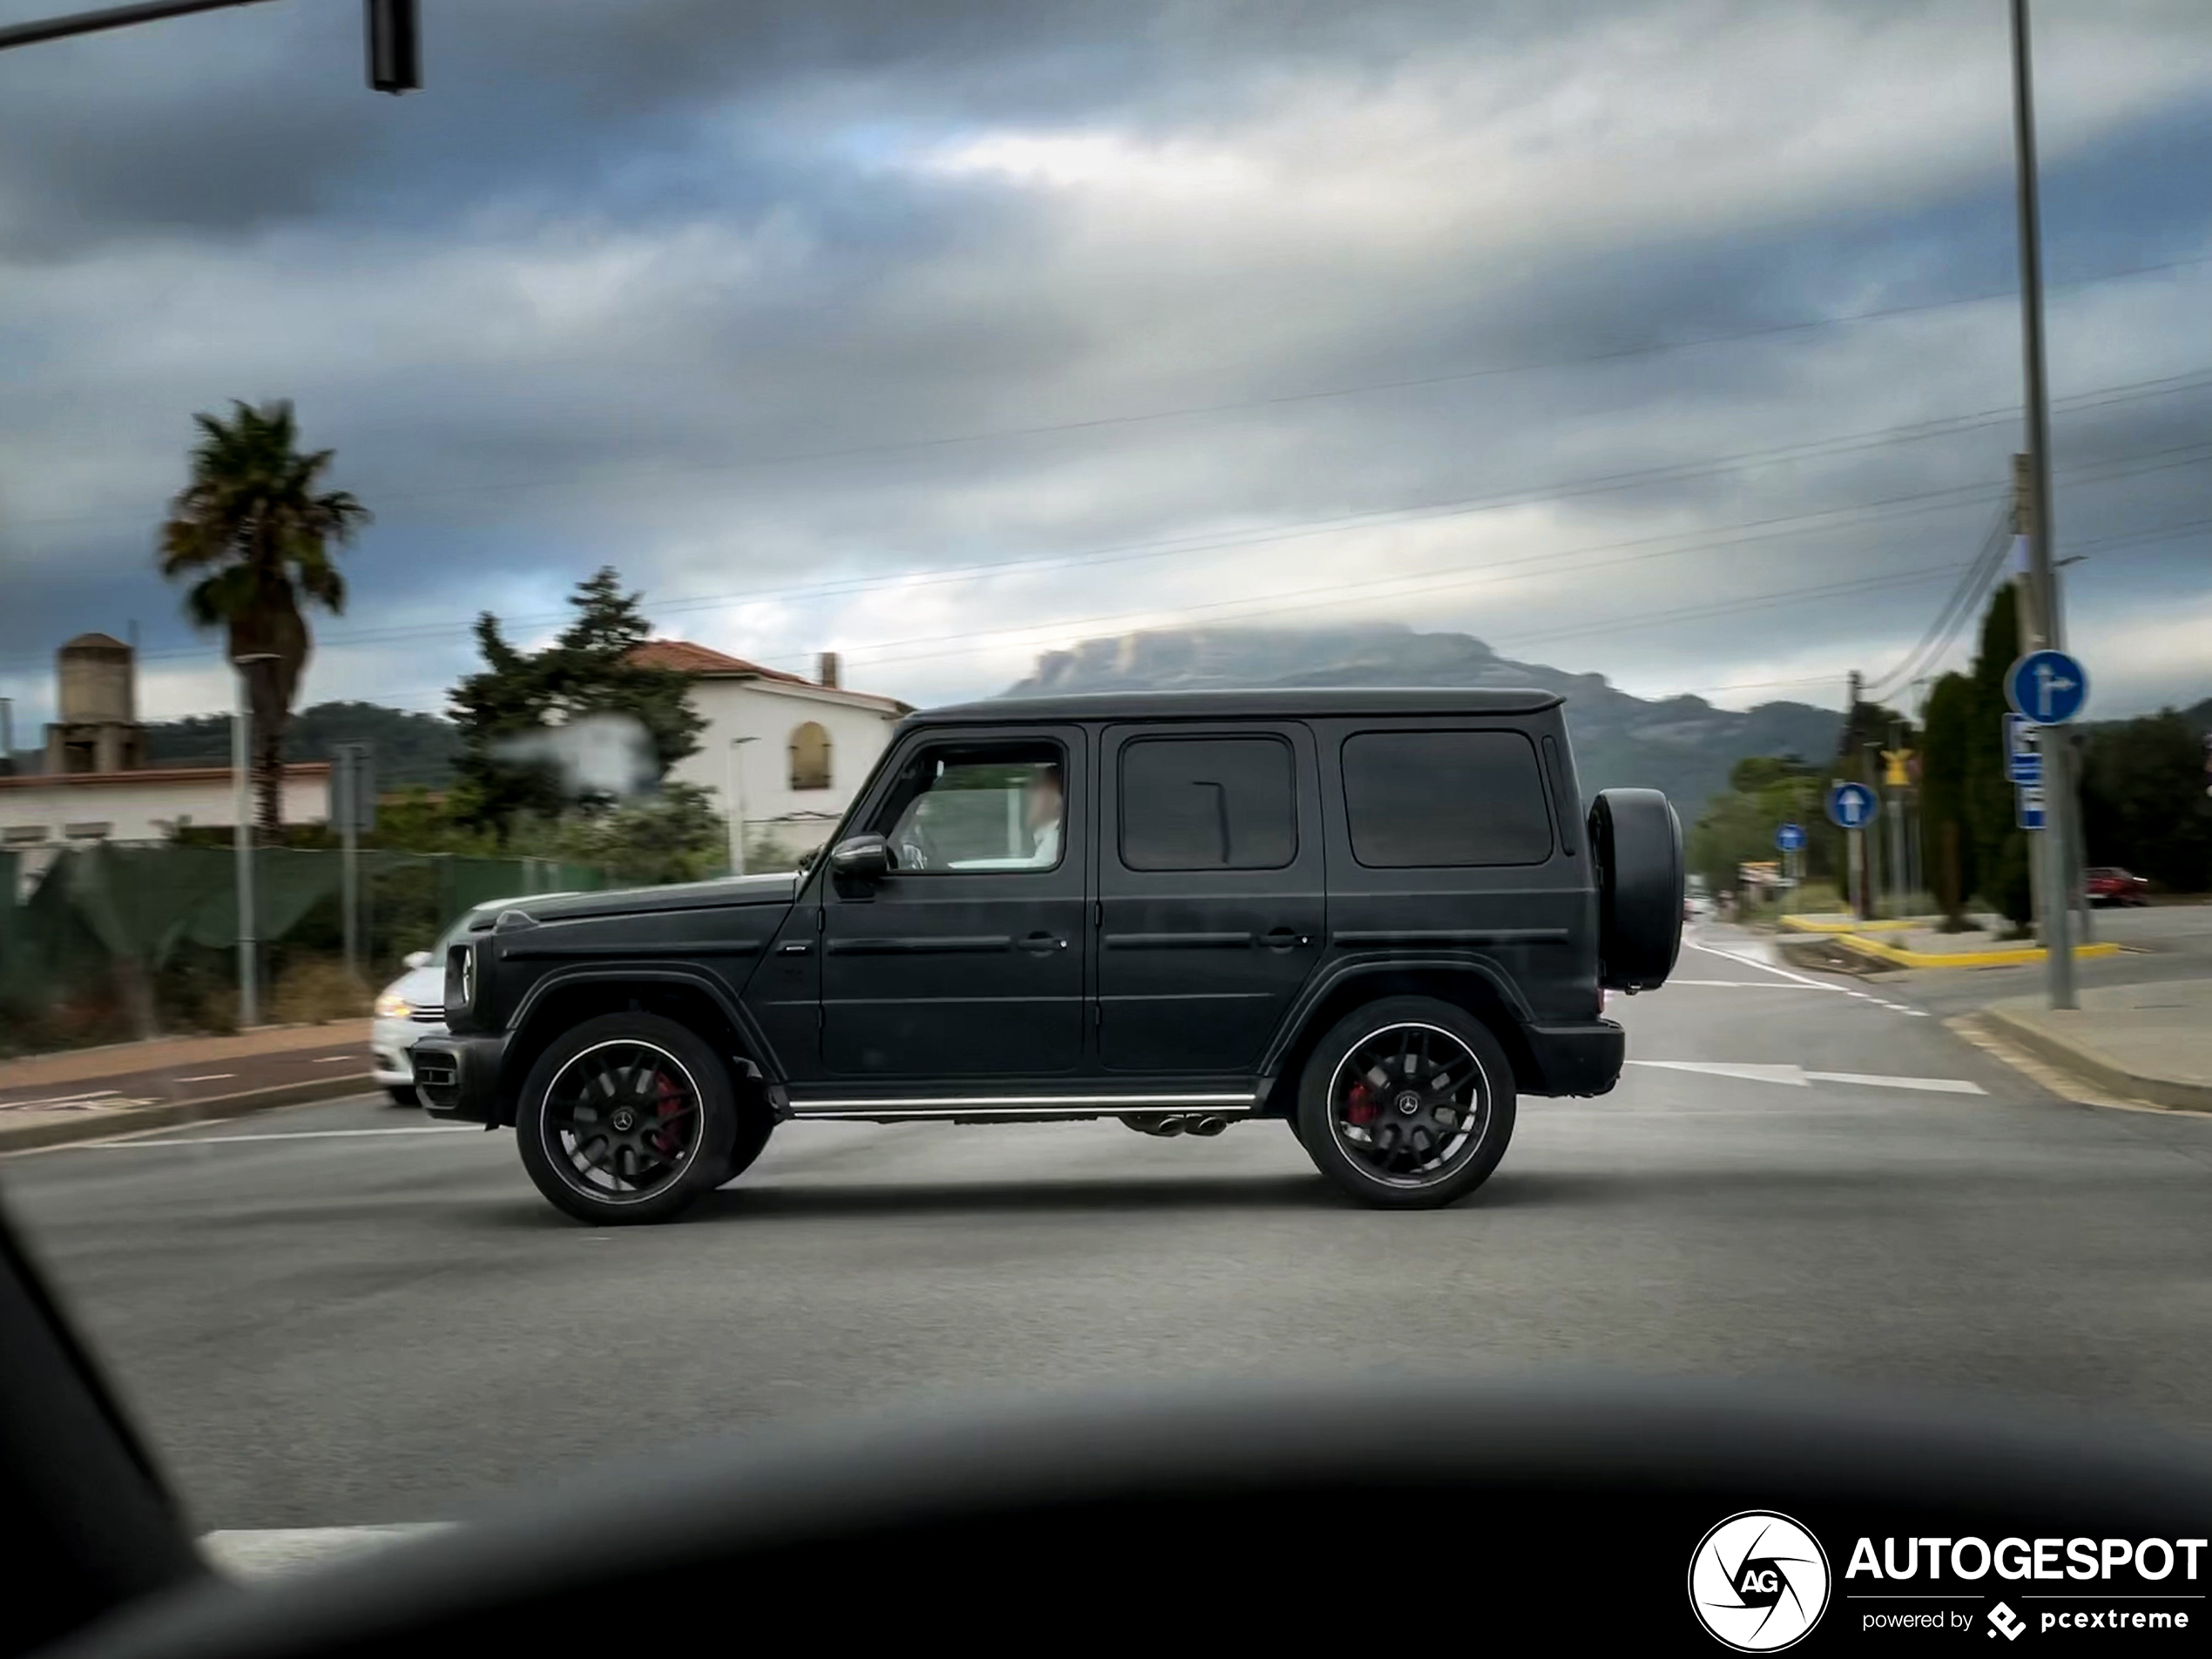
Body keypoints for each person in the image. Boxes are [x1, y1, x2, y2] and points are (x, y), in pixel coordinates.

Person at [1022, 764, 1063, 867]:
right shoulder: (1051, 841)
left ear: (1057, 800)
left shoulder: (1052, 848)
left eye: (1038, 786)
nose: (1030, 792)